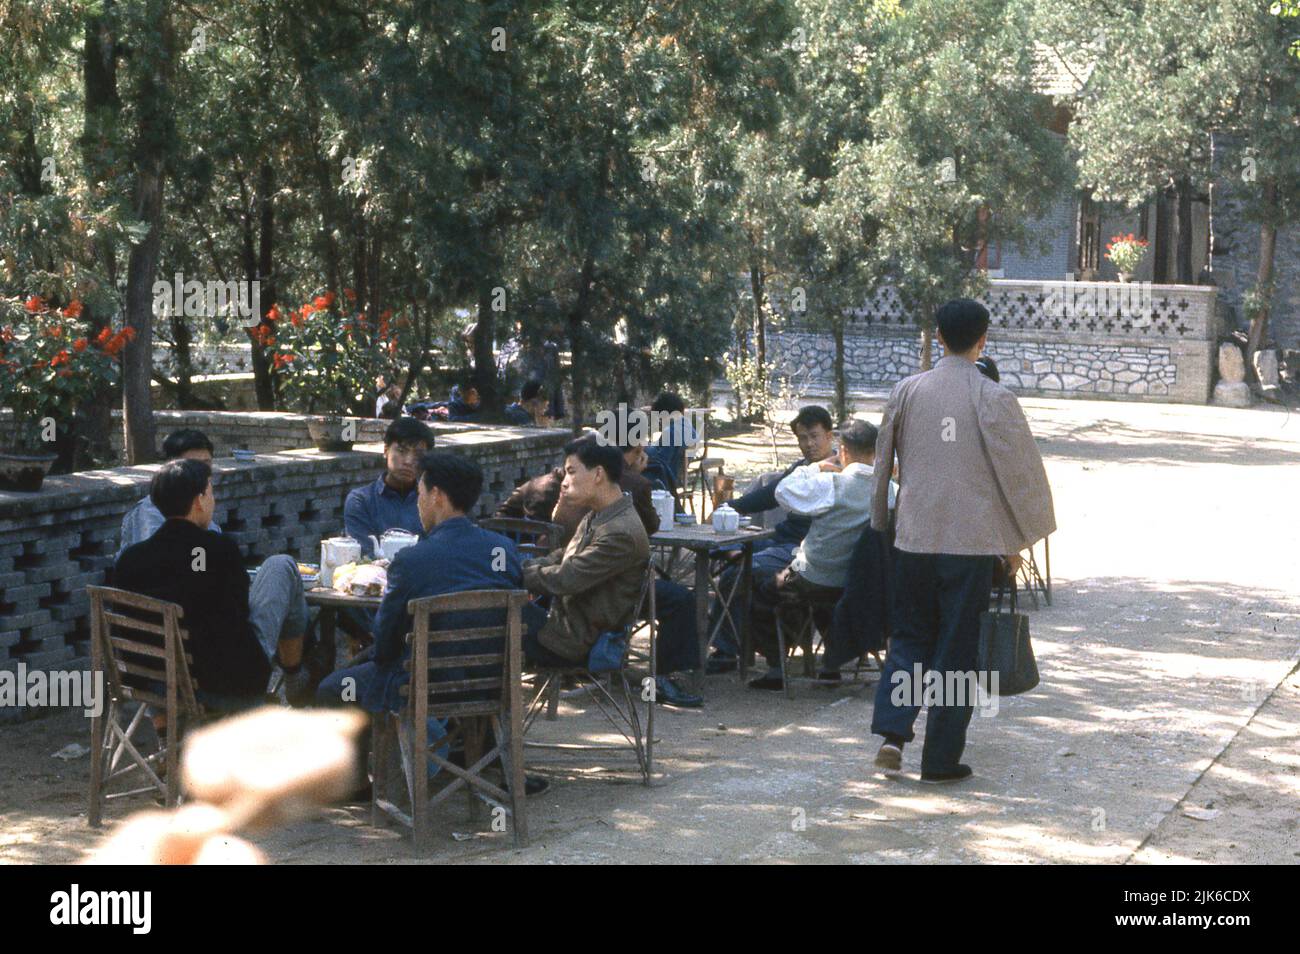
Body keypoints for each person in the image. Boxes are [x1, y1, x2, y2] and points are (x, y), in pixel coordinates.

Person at [869, 298, 1055, 784]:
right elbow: (1016, 477)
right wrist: (1016, 539)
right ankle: (940, 760)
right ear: (983, 339)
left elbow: (883, 460)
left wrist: (879, 520)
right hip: (969, 545)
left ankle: (892, 734)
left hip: (913, 537)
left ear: (937, 335)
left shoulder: (908, 390)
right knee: (955, 650)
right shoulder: (993, 397)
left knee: (908, 638)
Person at [317, 454, 548, 798]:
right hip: (492, 685)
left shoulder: (412, 560)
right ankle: (479, 768)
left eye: (421, 493)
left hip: (423, 688)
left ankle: (355, 786)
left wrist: (374, 658)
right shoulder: (503, 549)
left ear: (437, 495)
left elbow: (386, 639)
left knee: (335, 687)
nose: (419, 503)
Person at [115, 458, 312, 708]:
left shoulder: (130, 559)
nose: (213, 501)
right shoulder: (218, 549)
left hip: (153, 681)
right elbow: (241, 615)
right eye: (210, 492)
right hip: (226, 686)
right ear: (198, 500)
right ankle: (294, 674)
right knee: (281, 565)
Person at [745, 420, 895, 690]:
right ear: (877, 453)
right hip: (859, 584)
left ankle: (776, 667)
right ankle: (830, 664)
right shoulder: (891, 492)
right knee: (827, 598)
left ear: (843, 451)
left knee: (763, 587)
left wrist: (814, 468)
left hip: (813, 578)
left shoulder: (831, 484)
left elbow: (782, 492)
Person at [554, 440, 703, 707]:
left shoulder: (567, 484)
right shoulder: (632, 485)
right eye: (640, 451)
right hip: (602, 586)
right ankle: (665, 676)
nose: (645, 456)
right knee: (680, 599)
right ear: (631, 454)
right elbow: (652, 527)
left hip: (573, 571)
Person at [706, 405, 837, 672]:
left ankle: (727, 651)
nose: (809, 444)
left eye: (814, 436)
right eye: (802, 438)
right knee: (719, 552)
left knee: (740, 572)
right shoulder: (801, 468)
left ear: (829, 436)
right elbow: (768, 495)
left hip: (805, 551)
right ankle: (736, 644)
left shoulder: (839, 471)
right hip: (780, 540)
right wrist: (730, 507)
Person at [520, 436, 649, 669]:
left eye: (571, 472)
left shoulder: (620, 532)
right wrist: (525, 564)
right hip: (562, 627)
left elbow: (566, 578)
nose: (564, 482)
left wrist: (518, 574)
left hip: (572, 642)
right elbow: (566, 554)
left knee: (487, 619)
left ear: (598, 475)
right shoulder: (602, 513)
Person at [116, 429, 220, 560]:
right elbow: (164, 564)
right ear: (172, 467)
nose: (202, 472)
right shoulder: (149, 512)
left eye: (206, 464)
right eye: (192, 465)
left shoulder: (203, 505)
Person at [344, 417, 435, 557]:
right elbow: (364, 555)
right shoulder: (361, 501)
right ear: (386, 450)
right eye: (401, 451)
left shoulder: (434, 500)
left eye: (418, 454)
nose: (409, 461)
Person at [642, 391, 698, 490]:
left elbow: (661, 461)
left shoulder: (671, 431)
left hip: (664, 478)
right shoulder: (689, 427)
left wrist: (645, 449)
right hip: (679, 475)